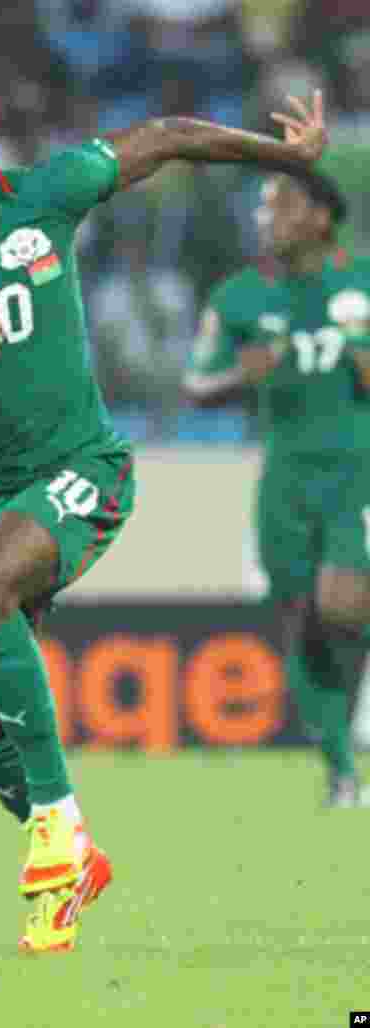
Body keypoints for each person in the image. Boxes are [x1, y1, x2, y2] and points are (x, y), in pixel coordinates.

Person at [0, 62, 327, 954]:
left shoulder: (50, 194)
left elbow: (166, 136)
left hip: (82, 466)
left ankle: (58, 825)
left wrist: (278, 159)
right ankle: (65, 843)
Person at [183, 167, 370, 808]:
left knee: (343, 605)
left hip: (358, 472)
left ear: (321, 217)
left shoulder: (363, 283)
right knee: (300, 622)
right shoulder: (237, 297)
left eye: (282, 205)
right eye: (262, 208)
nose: (267, 218)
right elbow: (196, 385)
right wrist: (240, 375)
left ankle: (350, 727)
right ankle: (343, 770)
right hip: (284, 478)